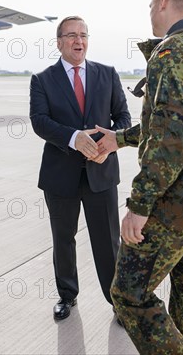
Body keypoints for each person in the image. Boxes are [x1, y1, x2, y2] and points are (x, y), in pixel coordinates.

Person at [96, 0, 183, 354]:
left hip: (175, 201)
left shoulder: (174, 51)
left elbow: (171, 138)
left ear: (164, 1)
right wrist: (117, 138)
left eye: (152, 4)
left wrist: (139, 206)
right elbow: (181, 123)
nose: (151, 12)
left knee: (129, 293)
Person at [29, 16, 131, 321]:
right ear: (59, 41)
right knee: (63, 239)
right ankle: (66, 296)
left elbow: (123, 117)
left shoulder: (107, 74)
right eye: (72, 35)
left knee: (108, 242)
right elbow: (40, 121)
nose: (79, 41)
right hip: (61, 176)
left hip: (101, 172)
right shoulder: (42, 79)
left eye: (84, 35)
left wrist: (111, 144)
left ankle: (118, 302)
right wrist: (74, 138)